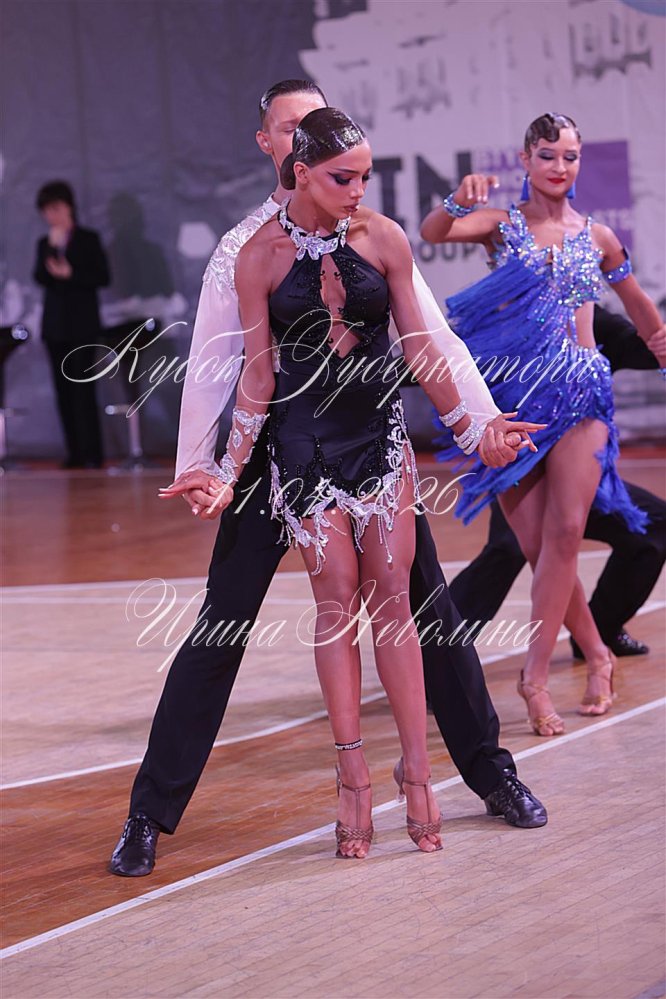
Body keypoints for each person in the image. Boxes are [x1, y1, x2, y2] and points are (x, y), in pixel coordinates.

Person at [109, 82, 547, 878]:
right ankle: (149, 812)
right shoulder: (243, 249)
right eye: (290, 126)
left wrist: (479, 422)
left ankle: (487, 773)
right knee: (221, 625)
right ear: (275, 146)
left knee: (426, 611)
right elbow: (220, 365)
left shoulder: (374, 233)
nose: (304, 135)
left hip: (373, 445)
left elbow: (429, 337)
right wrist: (204, 467)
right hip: (271, 454)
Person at [420, 112, 665, 737]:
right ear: (526, 159)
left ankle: (534, 678)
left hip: (582, 392)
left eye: (570, 156)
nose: (560, 166)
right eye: (549, 155)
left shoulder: (598, 236)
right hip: (512, 400)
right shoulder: (500, 226)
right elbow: (434, 230)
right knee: (534, 546)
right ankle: (599, 653)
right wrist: (457, 198)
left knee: (565, 533)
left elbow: (639, 307)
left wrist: (661, 343)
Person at [449, 307, 666, 658]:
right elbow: (441, 356)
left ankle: (600, 631)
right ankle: (438, 653)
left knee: (654, 525)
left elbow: (646, 349)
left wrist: (659, 339)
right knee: (510, 546)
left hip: (579, 481)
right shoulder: (507, 315)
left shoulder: (592, 319)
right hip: (522, 471)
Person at [33, 180, 110, 468]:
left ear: (68, 207)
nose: (51, 215)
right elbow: (40, 277)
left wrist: (72, 274)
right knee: (63, 392)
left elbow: (102, 277)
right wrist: (53, 250)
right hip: (55, 328)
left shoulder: (88, 239)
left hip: (83, 327)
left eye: (55, 208)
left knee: (83, 389)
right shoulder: (45, 243)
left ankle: (92, 453)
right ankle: (74, 453)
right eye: (46, 210)